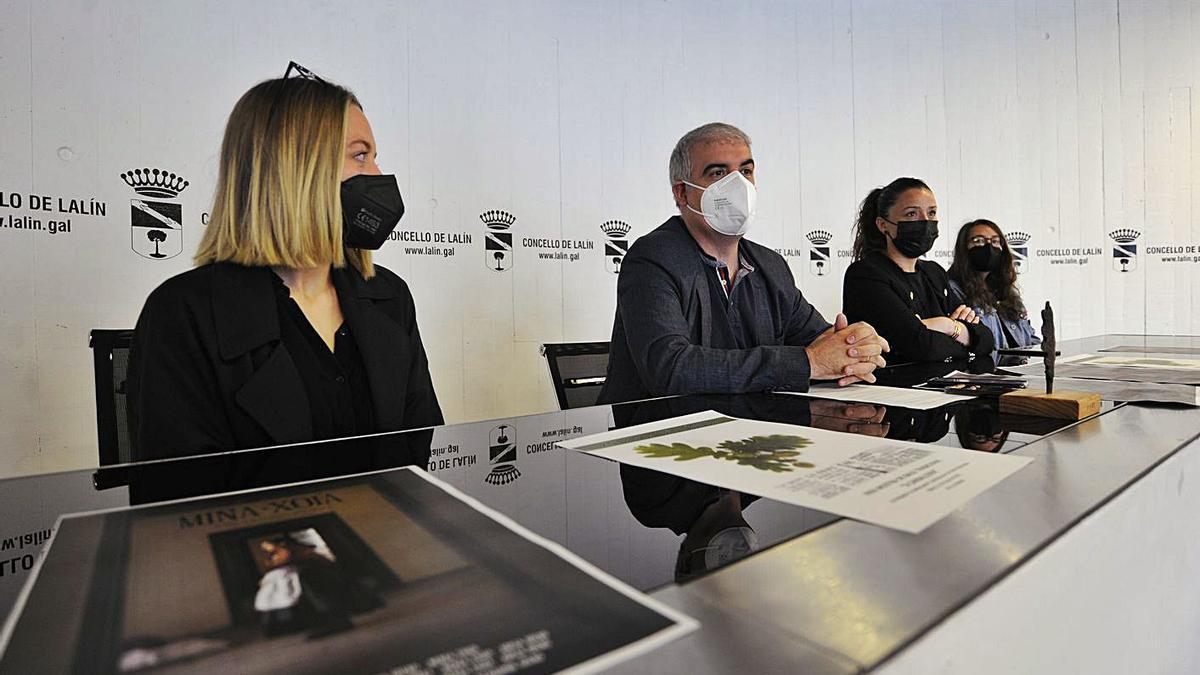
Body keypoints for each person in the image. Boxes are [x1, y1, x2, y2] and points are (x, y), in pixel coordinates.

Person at [128, 65, 443, 461]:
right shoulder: (183, 313)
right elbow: (177, 501)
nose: (378, 174)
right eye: (360, 155)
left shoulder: (389, 296)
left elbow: (414, 449)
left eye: (375, 157)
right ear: (294, 165)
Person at [599, 123, 889, 403]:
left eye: (746, 171)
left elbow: (819, 337)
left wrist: (854, 347)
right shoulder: (654, 258)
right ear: (682, 193)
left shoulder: (770, 265)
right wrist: (808, 362)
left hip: (748, 431)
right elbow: (671, 367)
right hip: (656, 436)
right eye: (717, 173)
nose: (737, 184)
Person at [842, 177, 994, 364]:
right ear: (883, 224)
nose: (925, 221)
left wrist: (946, 326)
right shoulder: (866, 275)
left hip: (946, 388)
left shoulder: (934, 273)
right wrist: (959, 331)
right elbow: (921, 347)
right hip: (892, 388)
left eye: (931, 213)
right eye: (911, 214)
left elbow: (986, 340)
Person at [947, 219, 1040, 362]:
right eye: (978, 241)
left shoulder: (1006, 292)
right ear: (964, 247)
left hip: (1019, 376)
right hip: (985, 377)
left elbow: (1032, 341)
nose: (988, 247)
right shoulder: (953, 289)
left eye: (995, 241)